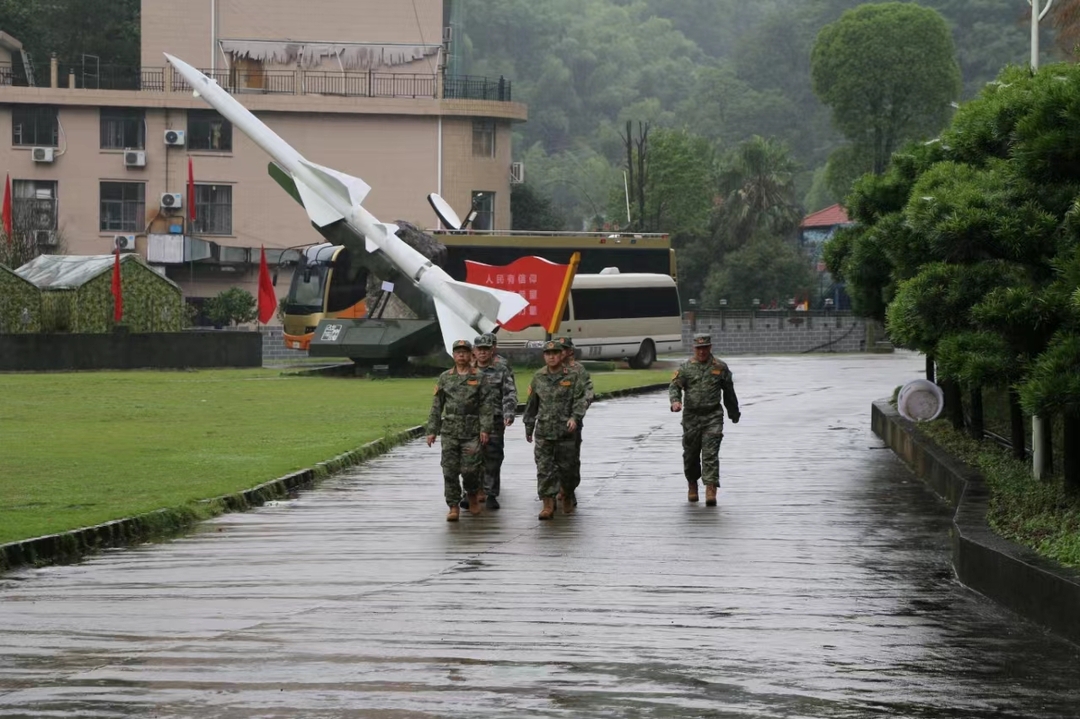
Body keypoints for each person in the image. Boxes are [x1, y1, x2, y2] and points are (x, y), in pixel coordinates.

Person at [668, 333, 740, 506]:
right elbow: (674, 386)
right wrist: (675, 401)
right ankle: (692, 484)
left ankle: (711, 488)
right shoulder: (686, 368)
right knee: (691, 455)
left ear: (710, 348)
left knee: (710, 454)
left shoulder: (720, 367)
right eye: (699, 349)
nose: (702, 352)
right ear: (694, 349)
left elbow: (729, 392)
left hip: (712, 415)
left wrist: (733, 413)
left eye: (705, 348)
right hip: (691, 417)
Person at [427, 339, 495, 521]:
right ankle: (453, 506)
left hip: (471, 431)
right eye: (458, 352)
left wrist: (485, 428)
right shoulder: (445, 377)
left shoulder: (479, 377)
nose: (461, 355)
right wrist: (432, 430)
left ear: (470, 354)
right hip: (450, 431)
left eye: (465, 352)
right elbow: (436, 405)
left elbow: (486, 405)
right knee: (449, 470)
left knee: (471, 469)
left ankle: (472, 495)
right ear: (454, 355)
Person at [523, 340, 588, 519]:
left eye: (555, 354)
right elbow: (532, 404)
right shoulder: (538, 377)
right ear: (544, 356)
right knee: (544, 469)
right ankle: (547, 504)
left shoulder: (572, 376)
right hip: (544, 431)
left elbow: (580, 400)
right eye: (548, 354)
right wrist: (529, 426)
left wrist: (575, 418)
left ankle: (567, 493)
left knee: (567, 469)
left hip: (566, 432)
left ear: (562, 355)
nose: (551, 357)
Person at [470, 332, 517, 510]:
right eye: (479, 349)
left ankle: (491, 493)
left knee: (493, 455)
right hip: (471, 419)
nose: (482, 353)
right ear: (474, 351)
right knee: (471, 456)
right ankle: (472, 491)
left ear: (491, 351)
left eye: (486, 349)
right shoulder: (467, 369)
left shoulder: (501, 369)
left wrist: (509, 413)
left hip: (495, 417)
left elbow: (509, 392)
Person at [556, 336, 593, 509]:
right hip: (551, 421)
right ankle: (556, 488)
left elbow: (588, 392)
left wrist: (577, 413)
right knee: (551, 458)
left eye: (563, 349)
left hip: (572, 420)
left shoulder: (579, 370)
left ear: (570, 351)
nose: (560, 353)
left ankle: (569, 488)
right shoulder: (550, 370)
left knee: (570, 458)